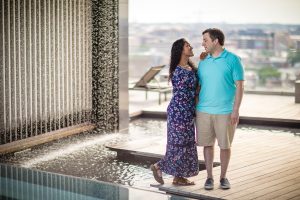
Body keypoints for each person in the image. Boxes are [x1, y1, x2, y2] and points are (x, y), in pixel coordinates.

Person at [196, 28, 244, 190]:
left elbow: (240, 85)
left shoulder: (233, 60)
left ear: (215, 41)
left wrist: (236, 109)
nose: (203, 43)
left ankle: (223, 177)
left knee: (225, 145)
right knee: (207, 145)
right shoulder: (203, 60)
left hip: (225, 111)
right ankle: (209, 177)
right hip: (203, 110)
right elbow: (199, 85)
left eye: (205, 40)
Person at [150, 38, 199, 185]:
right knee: (179, 144)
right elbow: (188, 92)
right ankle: (159, 166)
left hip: (187, 112)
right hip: (179, 112)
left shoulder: (191, 68)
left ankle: (178, 177)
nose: (190, 47)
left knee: (186, 144)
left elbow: (195, 88)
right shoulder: (178, 71)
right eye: (187, 45)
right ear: (180, 50)